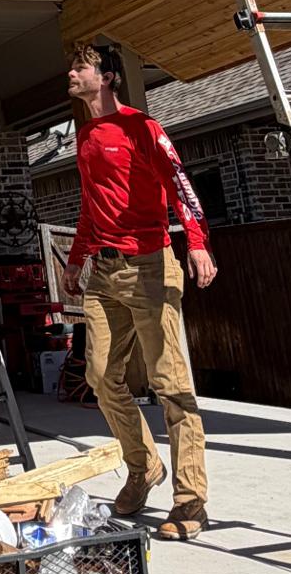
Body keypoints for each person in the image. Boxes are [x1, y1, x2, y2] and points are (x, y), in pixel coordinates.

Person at [57, 36, 217, 536]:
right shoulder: (86, 135)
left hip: (149, 266)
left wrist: (196, 241)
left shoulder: (141, 127)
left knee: (170, 383)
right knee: (102, 377)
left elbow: (179, 183)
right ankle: (144, 467)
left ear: (106, 77)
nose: (71, 75)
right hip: (104, 273)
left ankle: (191, 502)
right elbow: (91, 204)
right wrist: (77, 259)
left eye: (80, 68)